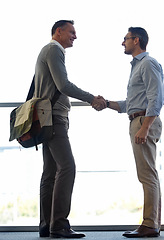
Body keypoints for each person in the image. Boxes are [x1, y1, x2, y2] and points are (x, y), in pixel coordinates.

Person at [34, 20, 106, 238]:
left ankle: (47, 225)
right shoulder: (53, 50)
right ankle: (59, 225)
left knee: (50, 172)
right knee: (67, 167)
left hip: (47, 117)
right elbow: (63, 85)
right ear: (59, 31)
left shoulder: (47, 51)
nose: (75, 36)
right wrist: (92, 98)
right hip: (54, 117)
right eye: (72, 32)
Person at [105, 27, 164, 238]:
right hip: (137, 118)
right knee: (147, 174)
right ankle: (153, 223)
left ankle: (150, 225)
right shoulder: (138, 66)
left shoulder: (148, 64)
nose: (123, 42)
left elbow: (156, 98)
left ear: (136, 40)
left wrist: (145, 127)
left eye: (126, 39)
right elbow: (131, 103)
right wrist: (106, 104)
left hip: (143, 121)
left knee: (147, 175)